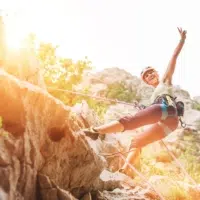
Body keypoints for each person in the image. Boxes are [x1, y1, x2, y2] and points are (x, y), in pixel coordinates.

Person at [83, 27, 187, 176]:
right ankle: (125, 171)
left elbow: (173, 58)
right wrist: (144, 108)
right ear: (145, 81)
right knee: (137, 141)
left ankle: (96, 131)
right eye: (146, 75)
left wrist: (182, 40)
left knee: (131, 121)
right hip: (167, 123)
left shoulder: (165, 81)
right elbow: (150, 113)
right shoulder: (153, 98)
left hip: (167, 111)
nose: (150, 75)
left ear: (157, 73)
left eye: (151, 72)